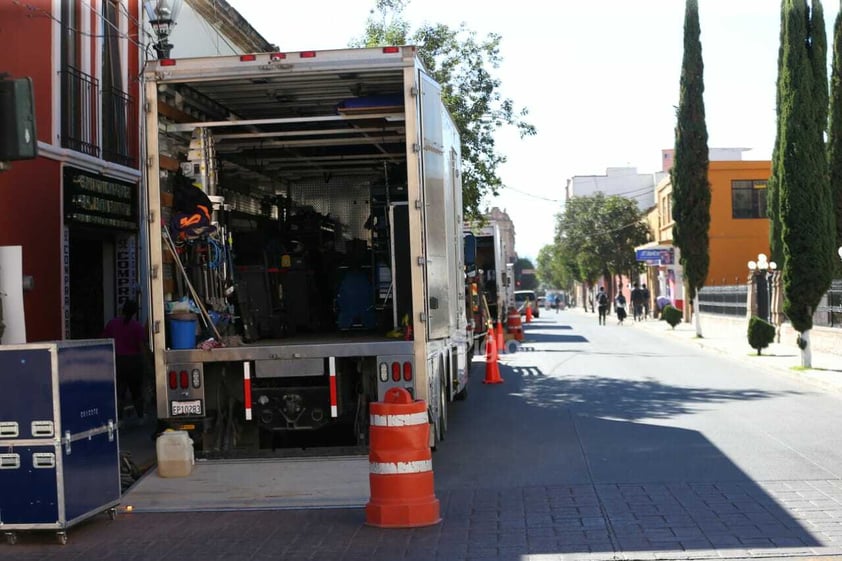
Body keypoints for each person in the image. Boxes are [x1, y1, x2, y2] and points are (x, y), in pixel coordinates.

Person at [103, 300, 148, 423]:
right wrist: (145, 362)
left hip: (117, 361)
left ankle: (119, 419)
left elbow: (106, 341)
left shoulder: (112, 324)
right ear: (135, 312)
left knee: (119, 391)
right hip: (134, 362)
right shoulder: (137, 326)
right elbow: (141, 346)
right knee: (136, 391)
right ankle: (140, 416)